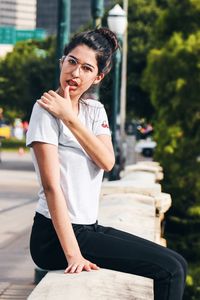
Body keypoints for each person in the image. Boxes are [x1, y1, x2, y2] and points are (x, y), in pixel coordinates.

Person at [26, 28, 187, 300]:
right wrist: (73, 254)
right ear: (62, 62)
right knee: (170, 271)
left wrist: (71, 118)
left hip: (89, 226)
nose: (75, 73)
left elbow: (107, 161)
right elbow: (52, 188)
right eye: (72, 61)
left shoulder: (93, 111)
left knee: (179, 263)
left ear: (97, 77)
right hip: (54, 237)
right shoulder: (45, 110)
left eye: (86, 68)